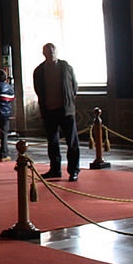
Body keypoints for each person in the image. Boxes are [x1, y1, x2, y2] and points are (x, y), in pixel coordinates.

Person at [32, 42, 80, 181]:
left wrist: (68, 101)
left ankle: (73, 170)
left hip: (66, 111)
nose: (51, 53)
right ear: (44, 53)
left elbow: (74, 86)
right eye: (48, 51)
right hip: (49, 111)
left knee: (72, 142)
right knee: (52, 143)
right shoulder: (39, 71)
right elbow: (38, 90)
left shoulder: (66, 67)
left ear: (56, 52)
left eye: (52, 50)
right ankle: (55, 169)